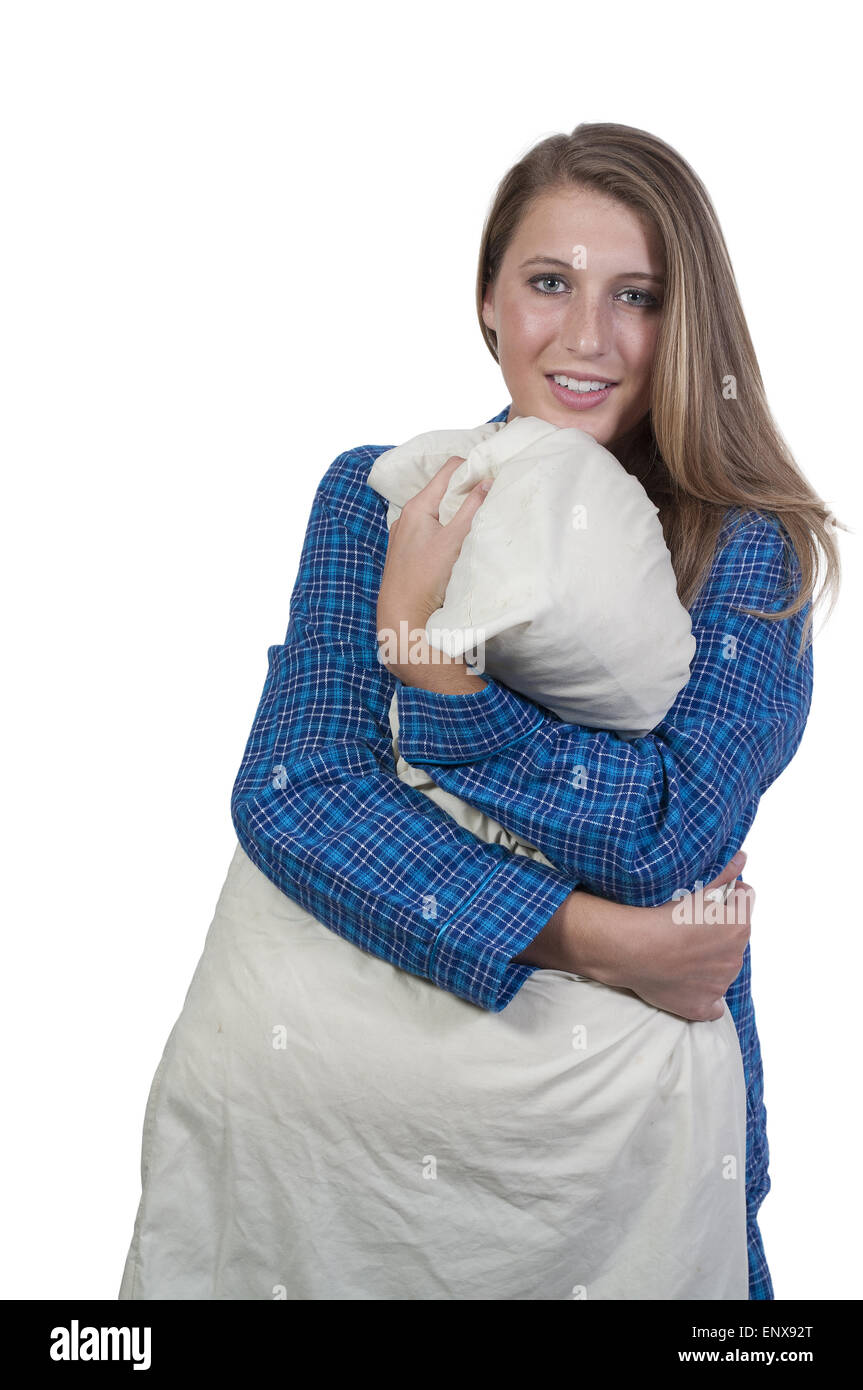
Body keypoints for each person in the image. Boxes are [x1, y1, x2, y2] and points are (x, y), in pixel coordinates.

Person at [118, 122, 841, 1301]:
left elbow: (667, 834)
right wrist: (600, 938)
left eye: (637, 296)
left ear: (684, 322)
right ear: (488, 301)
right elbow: (295, 791)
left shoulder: (741, 550)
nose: (586, 337)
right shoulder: (381, 491)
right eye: (548, 282)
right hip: (334, 1171)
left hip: (623, 1160)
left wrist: (432, 670)